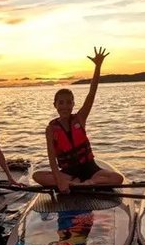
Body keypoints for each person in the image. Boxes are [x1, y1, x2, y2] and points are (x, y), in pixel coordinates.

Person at [31, 48, 124, 193]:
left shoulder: (80, 118)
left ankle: (87, 183)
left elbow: (91, 93)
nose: (65, 106)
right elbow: (51, 158)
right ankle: (76, 183)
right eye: (61, 103)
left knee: (118, 178)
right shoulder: (51, 129)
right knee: (37, 176)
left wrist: (97, 66)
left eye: (69, 102)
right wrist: (60, 179)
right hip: (68, 173)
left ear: (73, 104)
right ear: (55, 105)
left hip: (91, 169)